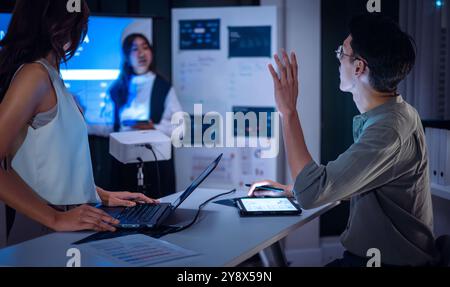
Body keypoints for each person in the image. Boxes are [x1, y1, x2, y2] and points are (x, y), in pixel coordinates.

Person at [248, 14, 439, 267]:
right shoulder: (396, 114)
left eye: (342, 52)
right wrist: (293, 189)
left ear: (359, 67)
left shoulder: (387, 129)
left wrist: (288, 111)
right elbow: (356, 180)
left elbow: (311, 194)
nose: (338, 59)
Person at [0, 0, 158, 245]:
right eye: (79, 24)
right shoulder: (34, 76)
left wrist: (100, 195)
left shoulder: (52, 77)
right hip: (42, 225)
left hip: (69, 220)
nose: (81, 34)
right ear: (57, 25)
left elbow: (57, 164)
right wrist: (55, 218)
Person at [108, 33, 182, 198]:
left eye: (145, 47)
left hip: (156, 164)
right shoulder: (117, 88)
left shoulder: (163, 87)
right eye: (135, 49)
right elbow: (107, 125)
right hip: (124, 162)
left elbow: (181, 128)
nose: (141, 53)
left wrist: (153, 127)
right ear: (127, 56)